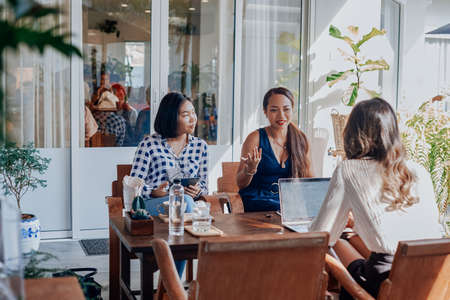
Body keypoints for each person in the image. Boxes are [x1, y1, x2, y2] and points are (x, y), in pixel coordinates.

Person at [310, 98, 443, 299]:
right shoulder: (419, 170)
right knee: (351, 241)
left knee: (333, 242)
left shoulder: (348, 170)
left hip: (385, 280)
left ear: (353, 133)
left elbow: (320, 235)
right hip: (432, 275)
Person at [130, 92, 208, 276]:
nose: (193, 118)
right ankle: (174, 286)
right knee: (185, 203)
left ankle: (169, 285)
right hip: (153, 207)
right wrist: (154, 192)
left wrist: (197, 190)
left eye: (193, 112)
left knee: (186, 204)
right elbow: (134, 184)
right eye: (185, 114)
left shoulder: (200, 146)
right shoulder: (149, 144)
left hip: (182, 214)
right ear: (171, 117)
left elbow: (205, 185)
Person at [237, 87, 312, 212]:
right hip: (258, 201)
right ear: (265, 112)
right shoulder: (255, 138)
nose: (281, 115)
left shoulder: (300, 139)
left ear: (292, 110)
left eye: (286, 109)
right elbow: (241, 184)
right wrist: (250, 169)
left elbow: (310, 177)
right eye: (274, 110)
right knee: (283, 209)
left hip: (288, 202)